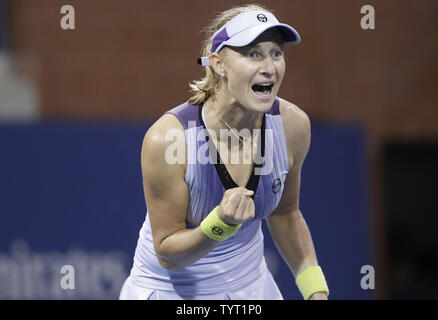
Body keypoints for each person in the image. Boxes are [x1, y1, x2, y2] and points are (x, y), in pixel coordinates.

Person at [119, 4, 329, 300]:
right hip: (171, 292)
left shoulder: (293, 127)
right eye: (253, 53)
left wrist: (315, 290)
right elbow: (168, 254)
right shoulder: (167, 139)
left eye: (276, 53)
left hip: (252, 286)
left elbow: (285, 213)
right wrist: (220, 224)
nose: (269, 66)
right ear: (218, 64)